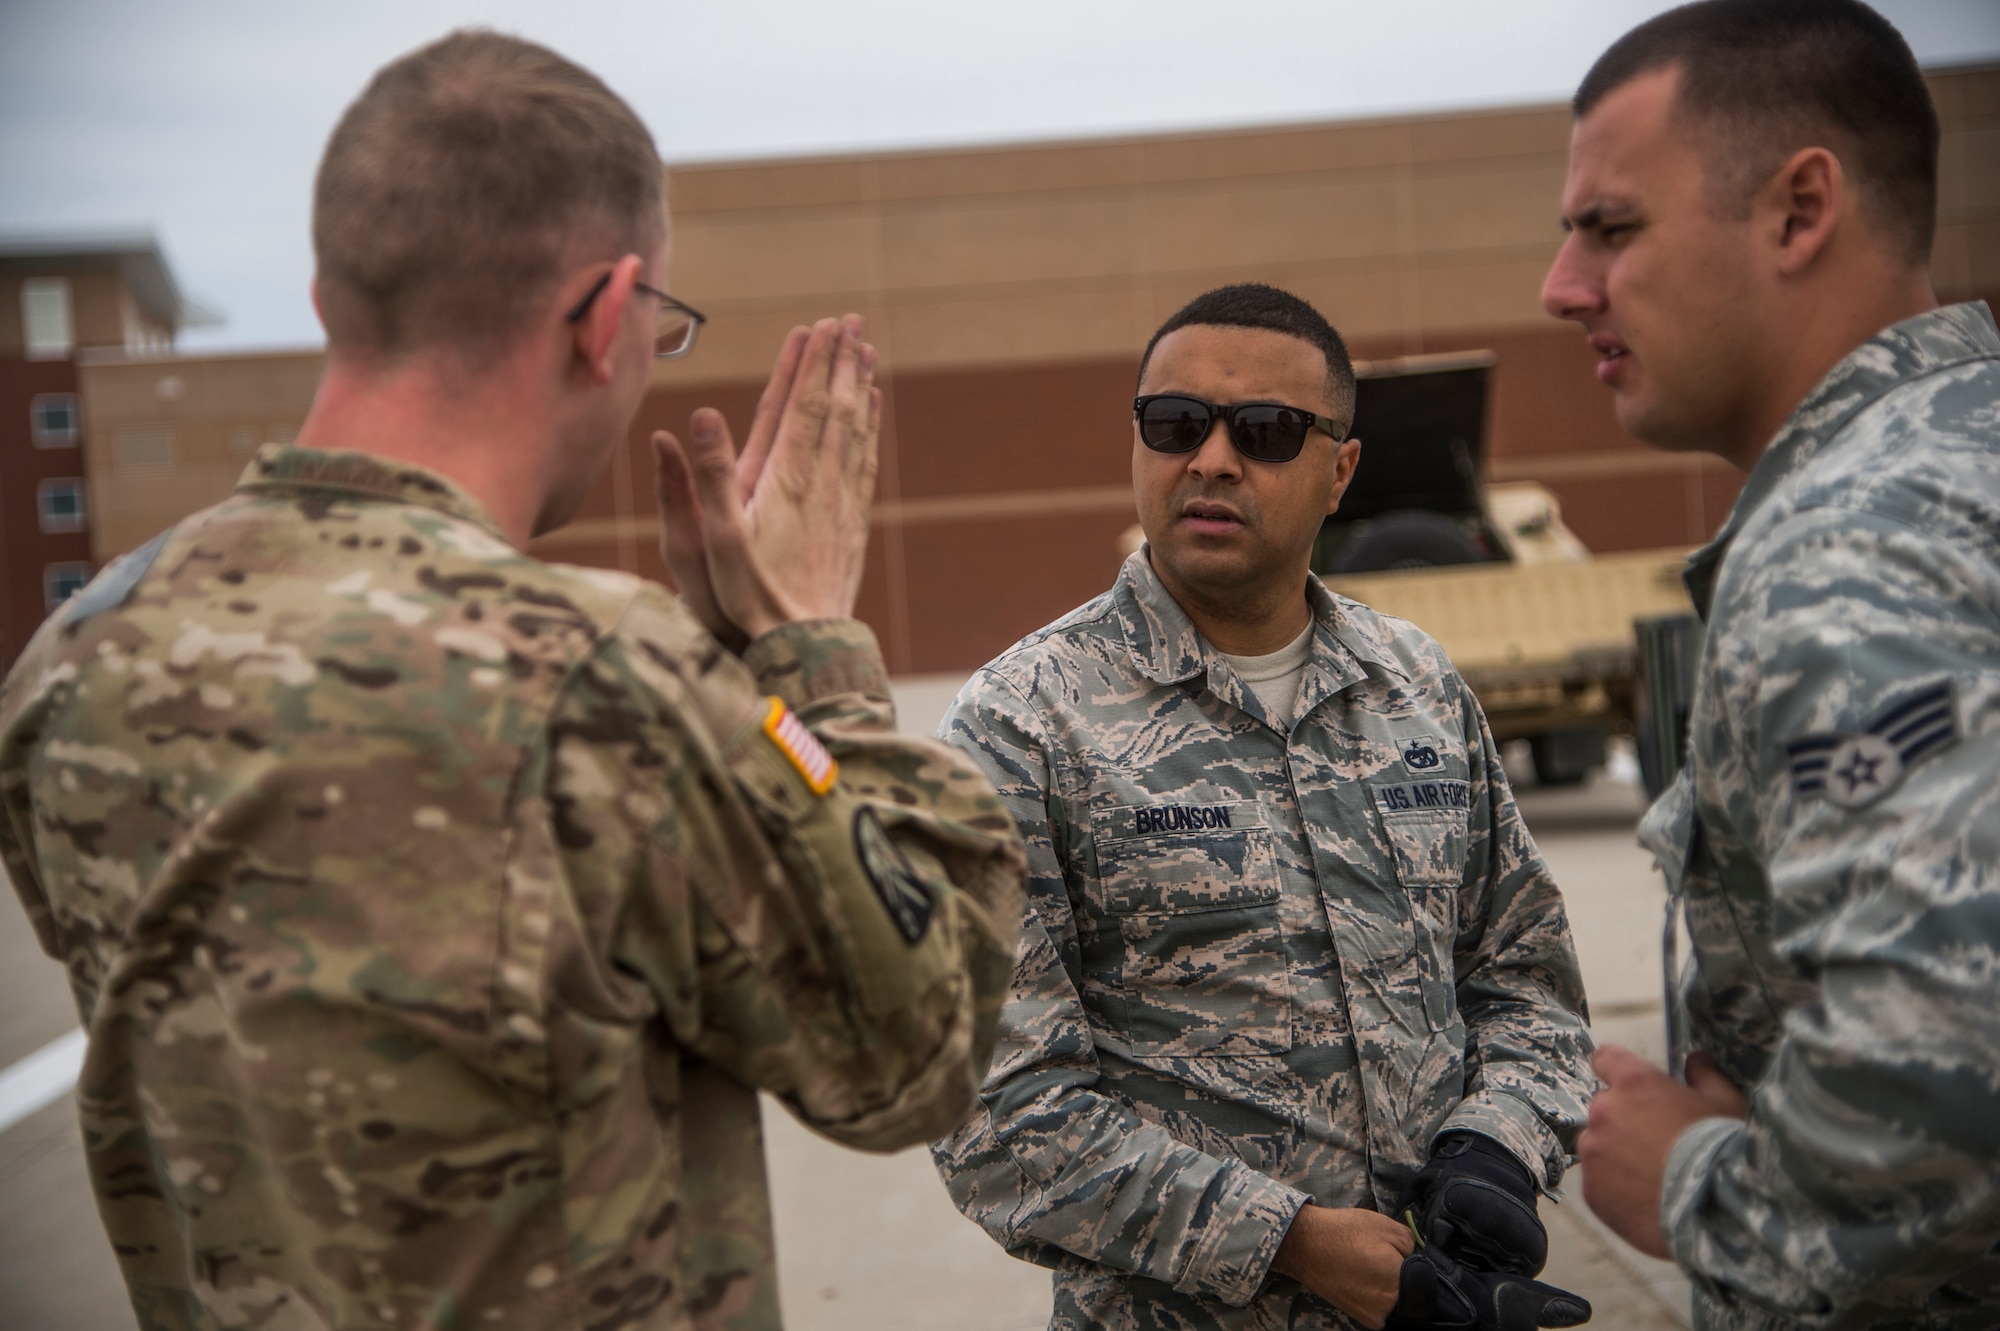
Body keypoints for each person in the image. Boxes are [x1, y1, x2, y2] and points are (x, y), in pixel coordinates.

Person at [0, 31, 1025, 1331]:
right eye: (660, 322)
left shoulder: (79, 652)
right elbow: (912, 1053)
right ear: (606, 316)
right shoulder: (606, 675)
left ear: (328, 298)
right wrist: (803, 644)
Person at [929, 282, 1596, 1331]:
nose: (1210, 458)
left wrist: (1495, 1150)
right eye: (1174, 423)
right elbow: (996, 1115)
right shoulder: (1022, 724)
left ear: (1340, 471)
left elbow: (1524, 983)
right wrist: (1293, 1242)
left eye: (1266, 431)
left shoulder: (1415, 686)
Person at [1540, 2, 2000, 1327]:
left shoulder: (1852, 545)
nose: (1562, 286)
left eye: (1609, 226)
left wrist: (1688, 1176)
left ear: (1802, 209)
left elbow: (1946, 1076)